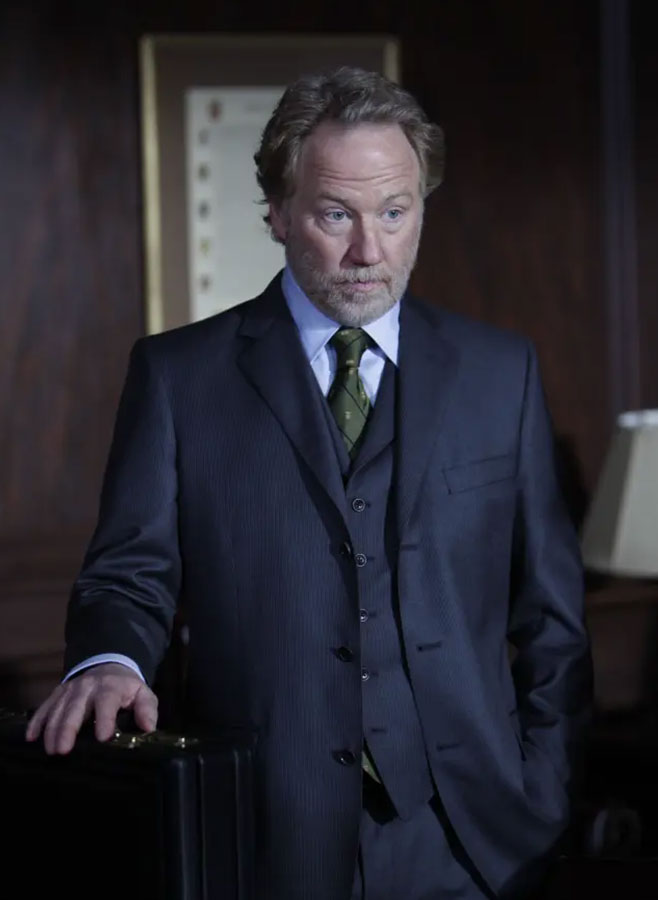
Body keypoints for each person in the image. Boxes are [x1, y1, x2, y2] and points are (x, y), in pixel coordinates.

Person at [26, 67, 592, 899]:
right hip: (266, 832)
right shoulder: (178, 376)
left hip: (475, 838)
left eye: (395, 213)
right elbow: (127, 572)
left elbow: (552, 616)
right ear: (279, 214)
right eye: (336, 215)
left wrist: (543, 792)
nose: (370, 251)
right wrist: (111, 661)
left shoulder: (500, 372)